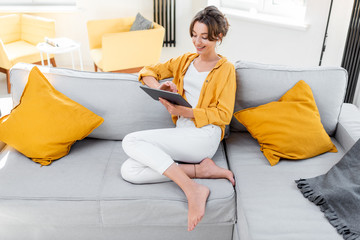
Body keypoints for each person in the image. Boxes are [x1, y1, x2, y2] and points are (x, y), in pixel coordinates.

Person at [121, 5, 236, 232]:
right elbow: (148, 70)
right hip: (182, 134)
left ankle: (192, 189)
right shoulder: (185, 61)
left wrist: (186, 112)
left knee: (131, 141)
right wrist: (160, 87)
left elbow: (224, 114)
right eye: (194, 35)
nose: (198, 42)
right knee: (129, 170)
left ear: (218, 37)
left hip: (204, 135)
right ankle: (200, 171)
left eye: (204, 37)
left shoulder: (226, 69)